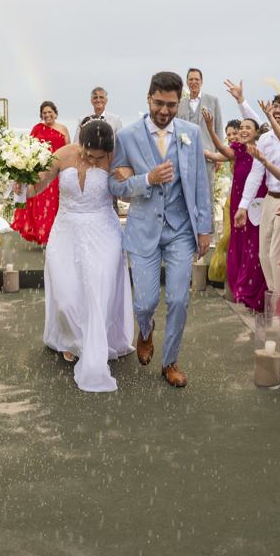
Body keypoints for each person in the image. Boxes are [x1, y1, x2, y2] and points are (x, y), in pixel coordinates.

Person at [109, 71, 211, 387]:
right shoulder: (126, 136)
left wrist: (204, 228)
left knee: (179, 299)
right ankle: (146, 328)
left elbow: (200, 183)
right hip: (143, 230)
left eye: (171, 105)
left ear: (179, 102)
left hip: (181, 229)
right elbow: (114, 184)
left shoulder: (192, 133)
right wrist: (147, 180)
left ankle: (169, 362)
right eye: (158, 103)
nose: (164, 111)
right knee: (145, 303)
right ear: (149, 98)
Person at [17, 117, 135, 390]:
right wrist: (20, 186)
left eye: (99, 158)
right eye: (89, 155)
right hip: (66, 229)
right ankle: (73, 337)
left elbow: (127, 197)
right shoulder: (62, 154)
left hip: (104, 229)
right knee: (67, 293)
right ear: (80, 144)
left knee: (99, 289)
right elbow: (37, 187)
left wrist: (128, 179)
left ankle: (92, 343)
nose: (94, 162)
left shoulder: (116, 157)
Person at [226, 84, 280, 295]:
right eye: (275, 106)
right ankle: (277, 304)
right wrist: (243, 206)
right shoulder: (264, 138)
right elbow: (255, 173)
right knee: (263, 255)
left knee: (278, 255)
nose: (278, 110)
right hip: (269, 200)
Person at [202, 112, 269, 311]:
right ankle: (240, 287)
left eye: (248, 127)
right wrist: (210, 128)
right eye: (241, 128)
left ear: (257, 133)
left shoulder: (263, 150)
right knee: (238, 245)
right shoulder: (237, 151)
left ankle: (256, 292)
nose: (243, 131)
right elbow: (220, 148)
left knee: (256, 247)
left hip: (258, 205)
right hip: (238, 205)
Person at [12, 101, 68, 244]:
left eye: (50, 112)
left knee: (56, 204)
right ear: (41, 115)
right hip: (42, 173)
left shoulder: (63, 129)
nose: (47, 115)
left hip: (59, 173)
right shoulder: (37, 129)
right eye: (44, 113)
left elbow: (68, 150)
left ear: (55, 113)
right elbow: (28, 150)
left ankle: (57, 236)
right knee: (43, 206)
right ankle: (44, 235)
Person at [177, 69, 224, 215]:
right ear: (187, 82)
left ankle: (208, 231)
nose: (193, 82)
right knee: (186, 192)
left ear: (201, 82)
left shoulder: (213, 100)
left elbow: (218, 127)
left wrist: (219, 154)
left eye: (196, 79)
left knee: (207, 193)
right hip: (185, 155)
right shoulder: (181, 103)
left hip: (207, 155)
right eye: (190, 79)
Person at [208, 120, 242, 284]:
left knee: (237, 238)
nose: (231, 137)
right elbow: (216, 154)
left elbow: (219, 151)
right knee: (228, 237)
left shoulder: (247, 151)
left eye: (234, 133)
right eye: (228, 135)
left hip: (247, 199)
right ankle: (223, 275)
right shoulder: (232, 152)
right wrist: (202, 151)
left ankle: (236, 277)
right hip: (232, 199)